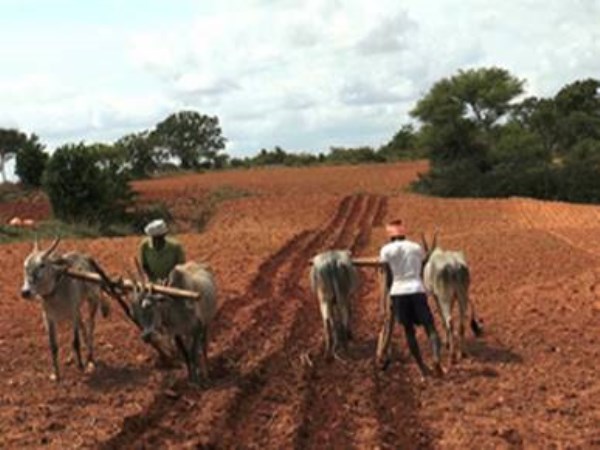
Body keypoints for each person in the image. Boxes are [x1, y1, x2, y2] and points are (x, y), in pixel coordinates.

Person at [376, 219, 443, 379]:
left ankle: (422, 367)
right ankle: (436, 358)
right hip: (417, 290)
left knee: (409, 332)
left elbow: (385, 271)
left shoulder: (386, 250)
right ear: (404, 234)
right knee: (430, 328)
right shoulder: (416, 247)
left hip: (398, 292)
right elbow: (422, 262)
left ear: (391, 237)